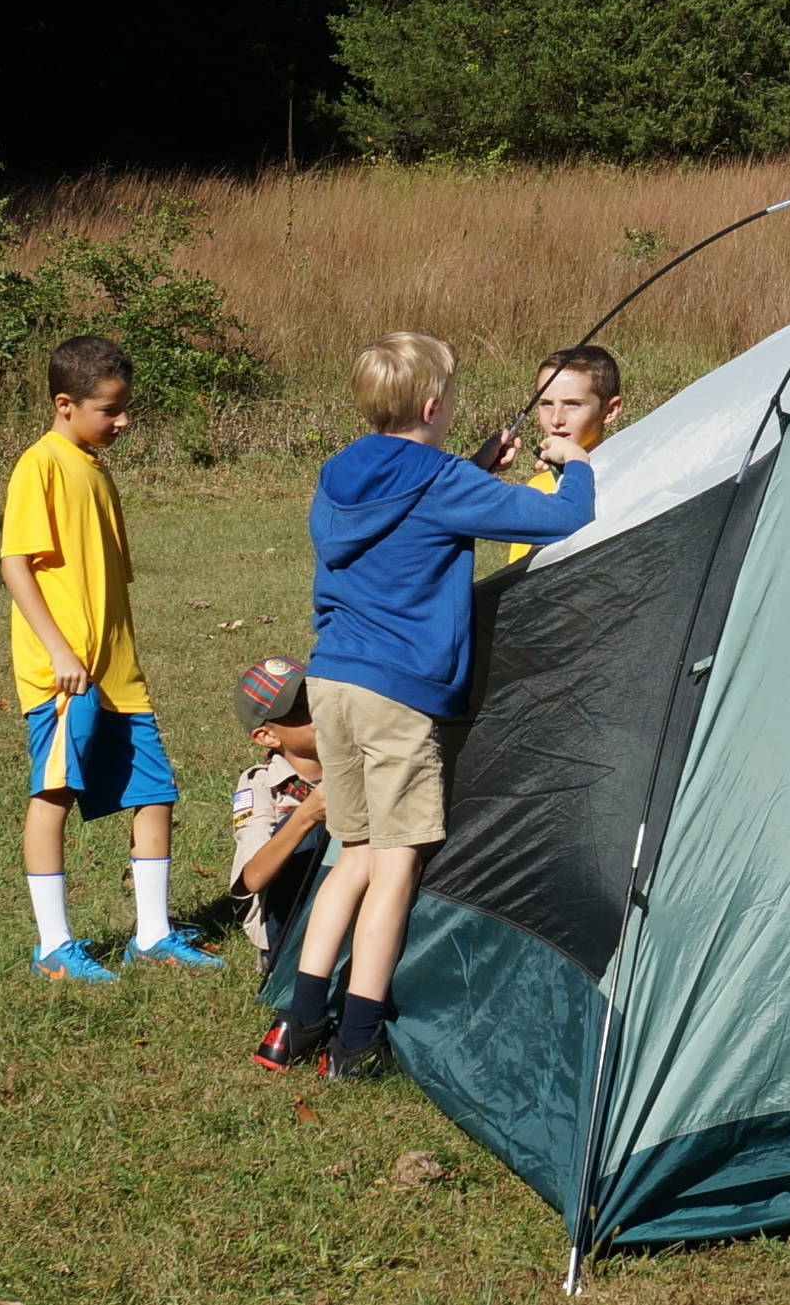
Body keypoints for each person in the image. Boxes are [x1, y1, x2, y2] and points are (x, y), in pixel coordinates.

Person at [251, 331, 595, 1079]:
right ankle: (356, 1041)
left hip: (333, 682)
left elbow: (399, 517)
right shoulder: (438, 480)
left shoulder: (340, 472)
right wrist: (578, 469)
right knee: (397, 864)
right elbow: (560, 520)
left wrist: (469, 469)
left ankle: (296, 1022)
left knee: (355, 852)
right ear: (434, 404)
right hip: (397, 691)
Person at [0, 334, 224, 981]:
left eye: (125, 408)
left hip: (119, 674)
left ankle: (151, 934)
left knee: (156, 794)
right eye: (110, 410)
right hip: (66, 676)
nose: (123, 420)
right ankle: (53, 947)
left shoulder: (94, 466)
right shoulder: (39, 464)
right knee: (55, 793)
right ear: (65, 404)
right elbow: (16, 566)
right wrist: (60, 649)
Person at [228, 656, 328, 981]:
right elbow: (253, 878)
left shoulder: (356, 760)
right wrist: (308, 814)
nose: (317, 713)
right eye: (300, 711)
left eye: (318, 698)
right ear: (267, 737)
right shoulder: (261, 785)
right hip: (289, 931)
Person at [506, 344, 622, 565]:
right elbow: (517, 571)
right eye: (546, 404)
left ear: (610, 410)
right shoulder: (538, 487)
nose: (557, 419)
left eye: (573, 404)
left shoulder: (624, 479)